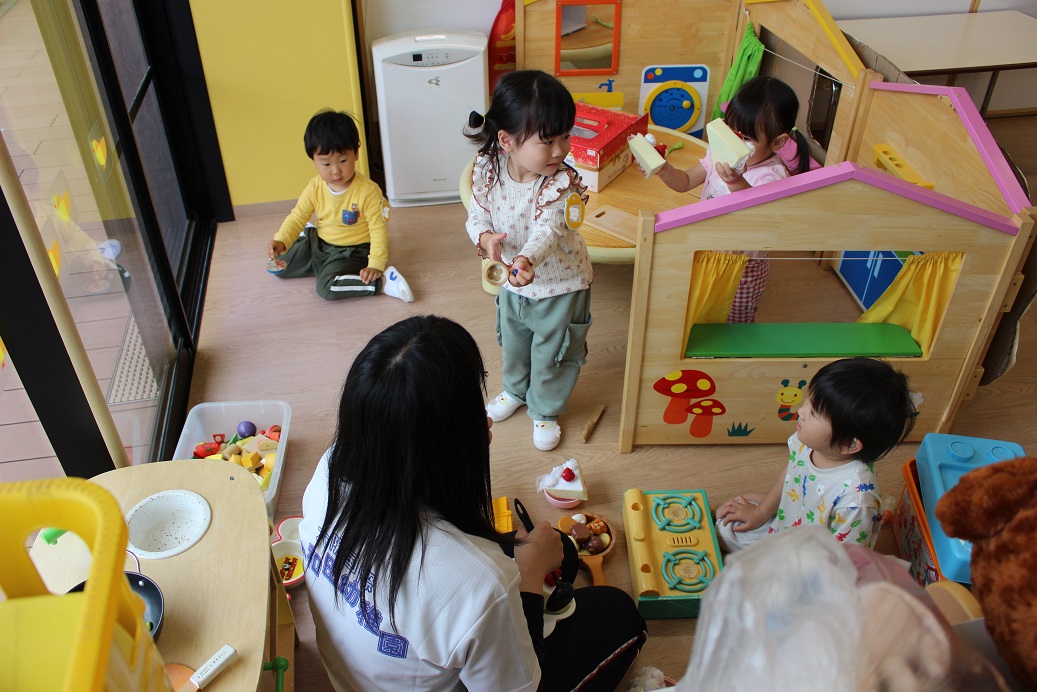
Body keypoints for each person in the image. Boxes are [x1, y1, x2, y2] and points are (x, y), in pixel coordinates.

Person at [299, 315, 646, 691]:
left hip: (355, 676)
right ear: (456, 440)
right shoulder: (478, 583)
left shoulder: (330, 469)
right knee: (617, 612)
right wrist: (528, 575)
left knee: (559, 549)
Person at [464, 70, 594, 451]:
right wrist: (484, 237)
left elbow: (550, 229)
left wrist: (526, 258)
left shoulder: (560, 183)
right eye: (547, 141)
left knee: (554, 351)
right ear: (506, 140)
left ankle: (545, 408)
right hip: (513, 282)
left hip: (560, 285)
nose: (560, 150)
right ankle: (515, 389)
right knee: (515, 341)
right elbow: (477, 213)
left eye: (565, 136)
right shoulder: (488, 169)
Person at [649, 75, 811, 323]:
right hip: (706, 251)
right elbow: (686, 181)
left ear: (777, 142)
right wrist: (664, 170)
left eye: (745, 138)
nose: (734, 141)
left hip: (742, 266)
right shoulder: (719, 153)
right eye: (730, 130)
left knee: (735, 324)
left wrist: (735, 182)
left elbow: (759, 220)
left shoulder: (772, 176)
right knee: (700, 309)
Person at [714, 357, 916, 552]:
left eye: (814, 413)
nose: (801, 411)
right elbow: (792, 473)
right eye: (809, 401)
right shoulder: (813, 443)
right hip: (793, 520)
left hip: (815, 557)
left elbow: (848, 560)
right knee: (726, 519)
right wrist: (760, 512)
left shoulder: (856, 501)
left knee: (725, 535)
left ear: (847, 444)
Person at [267, 109, 413, 302]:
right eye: (326, 164)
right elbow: (297, 216)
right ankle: (310, 238)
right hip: (320, 242)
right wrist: (281, 240)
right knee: (280, 266)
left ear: (356, 153)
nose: (336, 171)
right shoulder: (315, 187)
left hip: (352, 250)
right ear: (314, 161)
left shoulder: (368, 191)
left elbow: (378, 230)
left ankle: (385, 283)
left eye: (343, 161)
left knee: (326, 288)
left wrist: (376, 264)